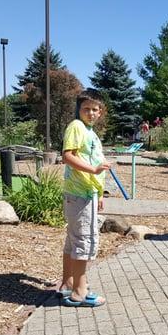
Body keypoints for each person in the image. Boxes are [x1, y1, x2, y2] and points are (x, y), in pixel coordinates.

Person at [58, 88, 111, 307]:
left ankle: (68, 283)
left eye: (95, 109)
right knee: (84, 241)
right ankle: (80, 291)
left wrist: (98, 192)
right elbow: (67, 156)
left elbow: (92, 157)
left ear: (101, 112)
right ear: (78, 110)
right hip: (79, 194)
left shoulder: (89, 131)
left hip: (86, 193)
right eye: (86, 109)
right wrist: (93, 170)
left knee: (73, 240)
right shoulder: (77, 127)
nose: (91, 113)